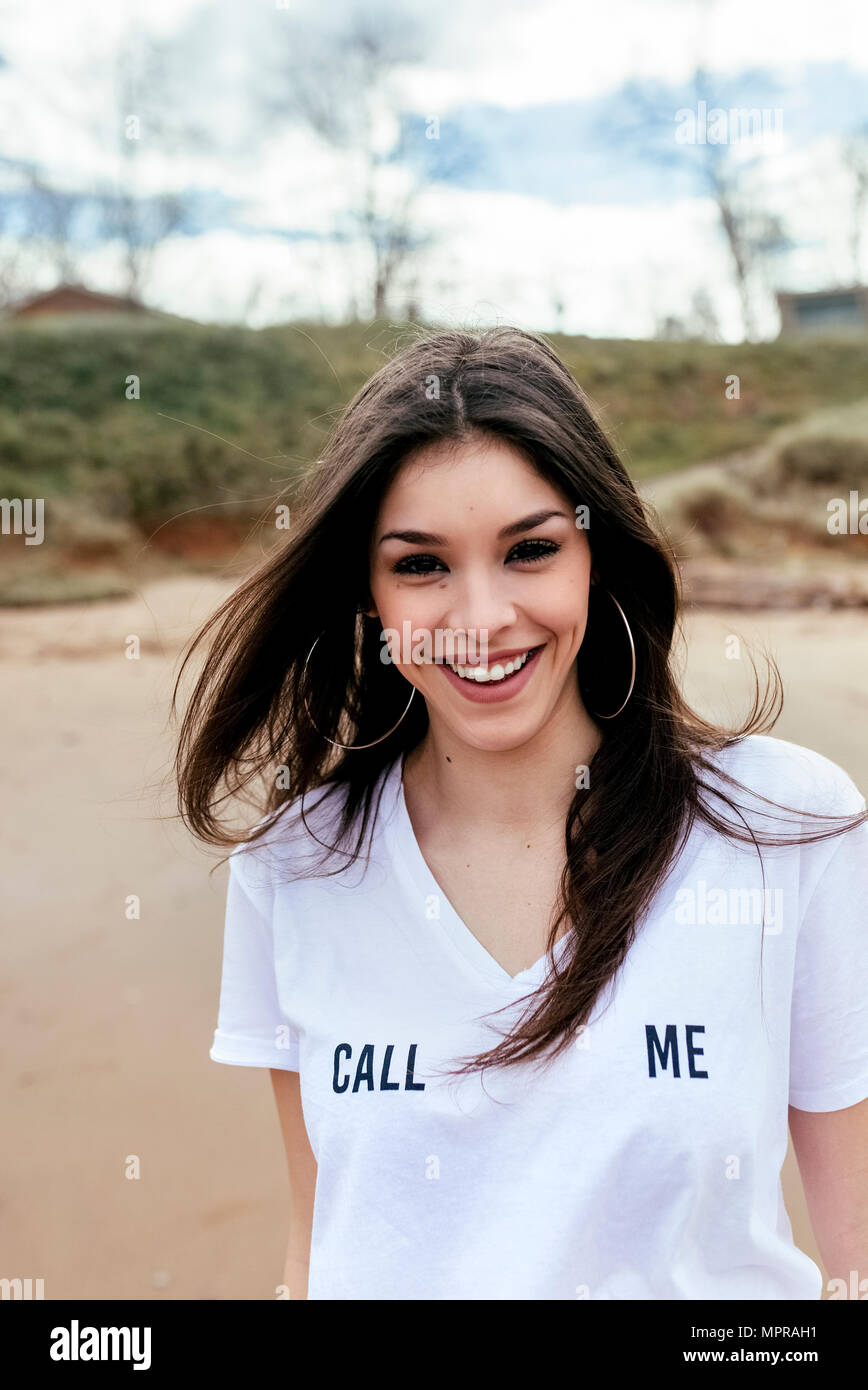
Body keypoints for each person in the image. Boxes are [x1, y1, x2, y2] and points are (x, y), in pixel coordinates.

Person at [175, 325, 868, 1300]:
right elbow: (321, 1245)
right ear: (368, 592)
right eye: (420, 565)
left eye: (530, 549)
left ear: (596, 555)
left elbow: (855, 1264)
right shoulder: (295, 864)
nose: (481, 615)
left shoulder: (787, 825)